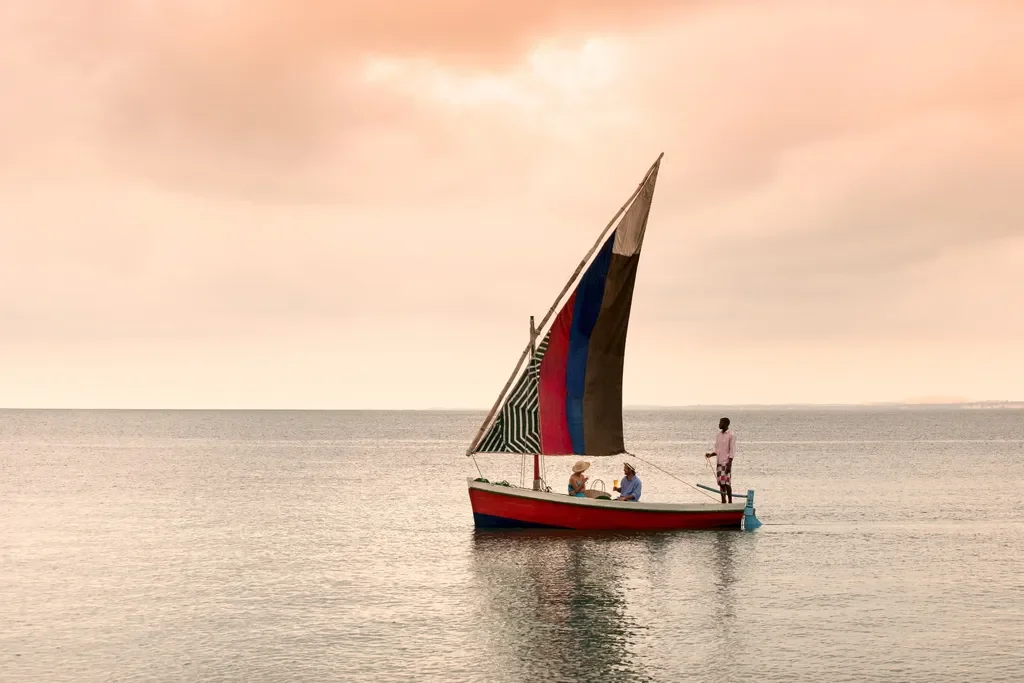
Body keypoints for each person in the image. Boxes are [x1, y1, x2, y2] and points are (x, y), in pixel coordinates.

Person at [705, 417, 735, 503]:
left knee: (727, 483)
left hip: (726, 463)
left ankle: (730, 502)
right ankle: (723, 501)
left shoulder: (731, 435)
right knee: (721, 484)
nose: (719, 424)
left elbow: (732, 451)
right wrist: (710, 455)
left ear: (726, 424)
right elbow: (717, 450)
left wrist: (729, 464)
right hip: (719, 463)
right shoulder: (718, 435)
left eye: (721, 422)